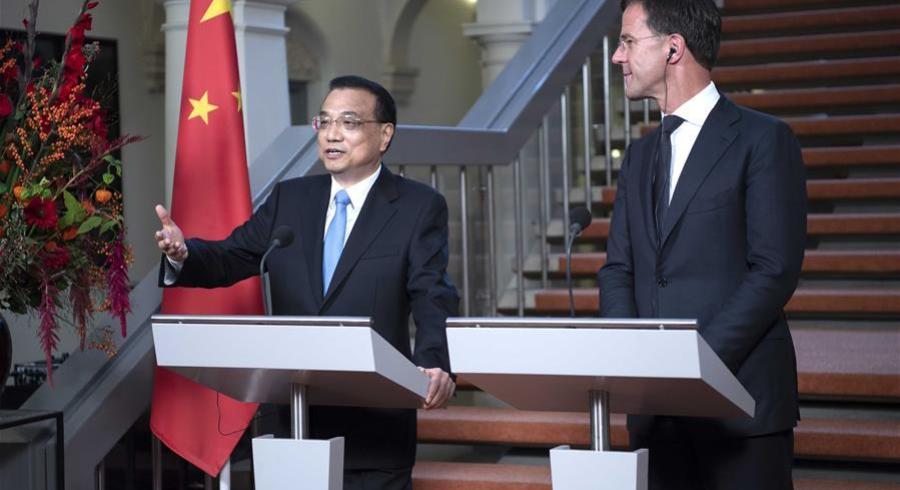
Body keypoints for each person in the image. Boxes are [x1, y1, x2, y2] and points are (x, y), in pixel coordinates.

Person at [155, 75, 458, 490]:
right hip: (292, 423)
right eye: (324, 121)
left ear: (385, 135)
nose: (332, 134)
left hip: (375, 431)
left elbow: (432, 293)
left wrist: (434, 363)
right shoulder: (290, 199)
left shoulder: (418, 207)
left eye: (349, 122)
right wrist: (183, 253)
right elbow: (231, 257)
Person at [598, 1, 807, 488]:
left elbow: (773, 270)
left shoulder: (763, 139)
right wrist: (635, 364)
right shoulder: (638, 155)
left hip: (740, 404)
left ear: (673, 48)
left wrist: (694, 367)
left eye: (627, 41)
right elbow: (618, 269)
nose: (617, 56)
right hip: (656, 414)